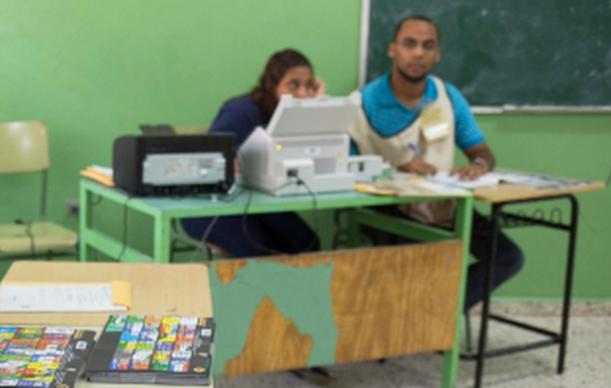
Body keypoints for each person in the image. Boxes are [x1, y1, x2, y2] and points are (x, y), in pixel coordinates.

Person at [350, 14, 524, 310]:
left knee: (507, 257)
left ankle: (439, 313)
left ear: (437, 54)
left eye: (427, 46)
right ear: (393, 50)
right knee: (424, 263)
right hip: (388, 211)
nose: (418, 53)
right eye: (410, 44)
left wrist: (478, 166)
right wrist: (400, 166)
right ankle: (427, 318)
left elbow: (482, 152)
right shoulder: (365, 102)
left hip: (441, 206)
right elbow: (349, 169)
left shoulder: (447, 97)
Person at [182, 49, 325, 257]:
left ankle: (292, 290)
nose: (302, 93)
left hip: (260, 203)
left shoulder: (295, 114)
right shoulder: (241, 111)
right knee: (259, 250)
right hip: (209, 208)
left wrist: (318, 103)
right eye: (293, 85)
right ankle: (267, 290)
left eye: (309, 85)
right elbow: (211, 156)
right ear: (272, 84)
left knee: (307, 243)